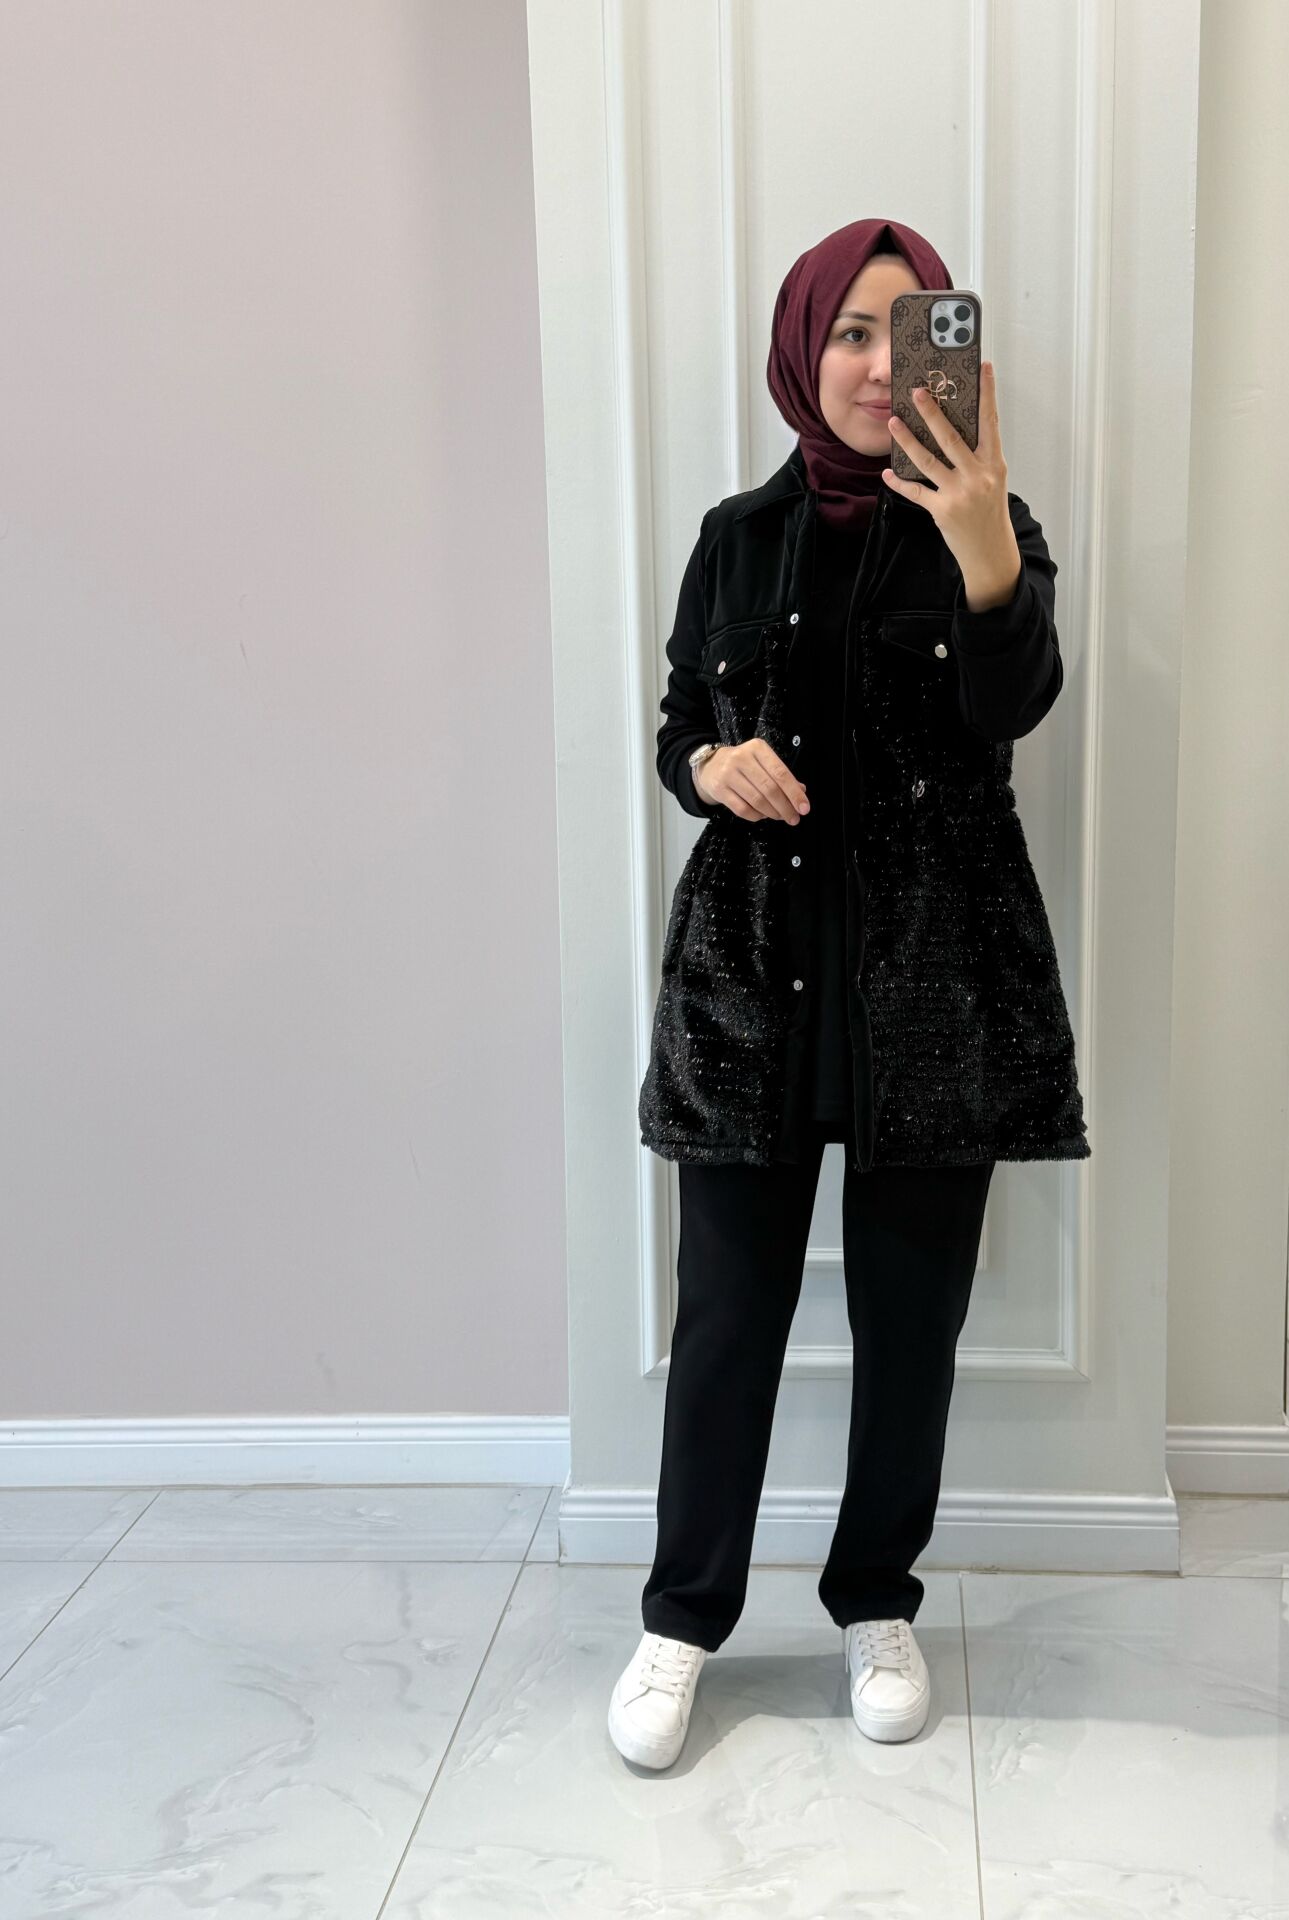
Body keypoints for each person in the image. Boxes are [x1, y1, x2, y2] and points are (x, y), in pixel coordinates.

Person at [608, 218, 1089, 1771]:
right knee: (725, 1322)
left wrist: (984, 546)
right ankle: (681, 1620)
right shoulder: (733, 536)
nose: (882, 367)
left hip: (930, 986)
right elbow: (678, 719)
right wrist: (710, 766)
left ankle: (875, 1599)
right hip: (752, 985)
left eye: (911, 330)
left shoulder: (988, 521)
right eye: (851, 335)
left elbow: (1012, 704)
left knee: (908, 1323)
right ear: (801, 351)